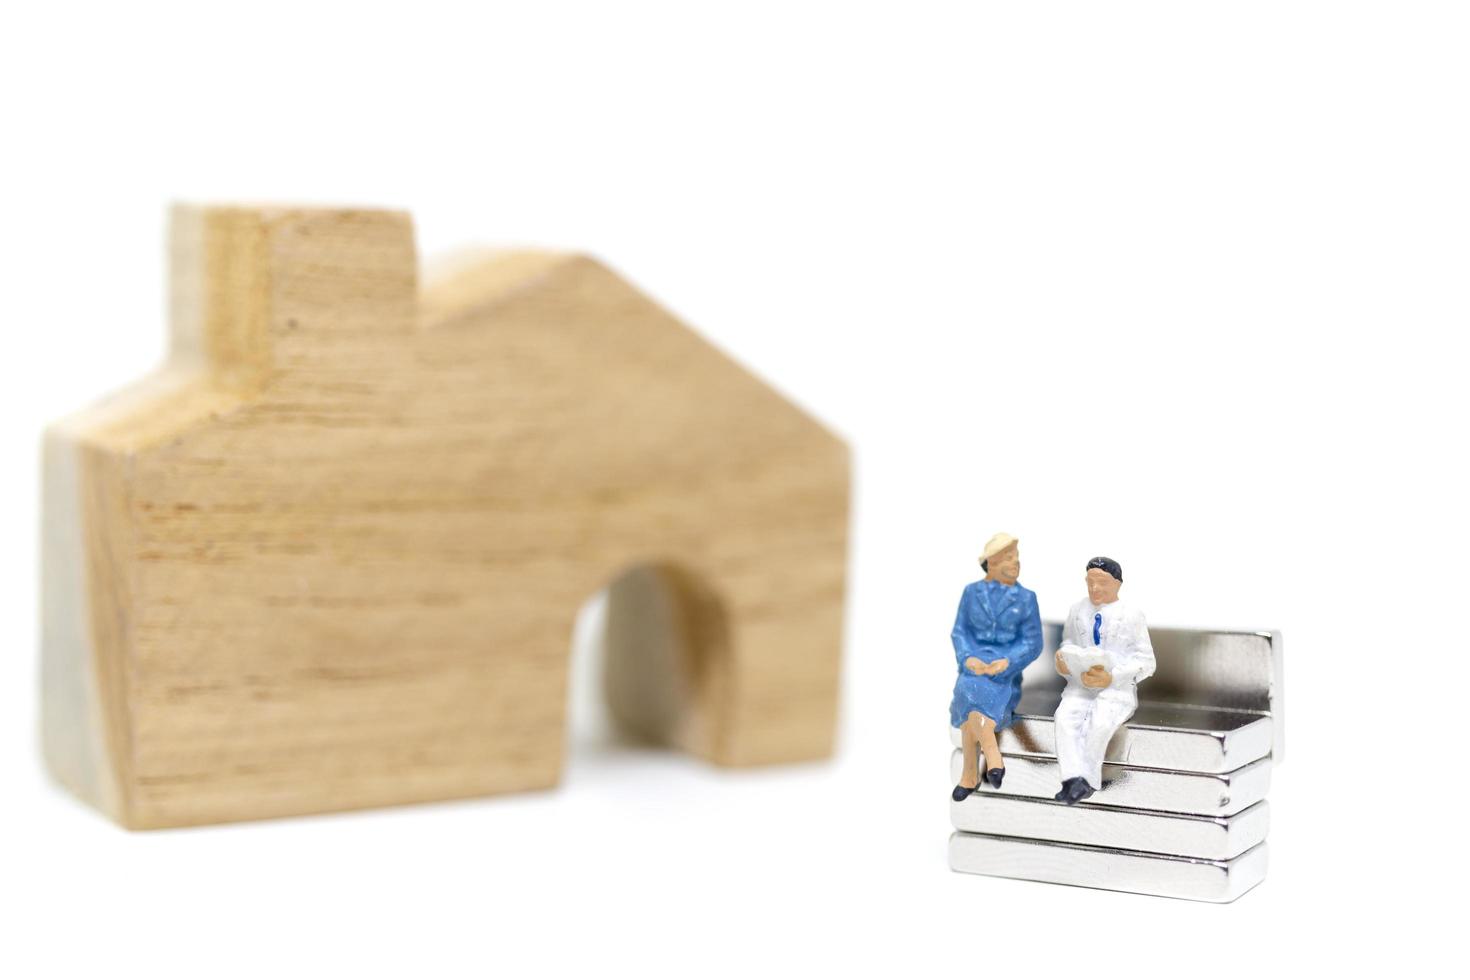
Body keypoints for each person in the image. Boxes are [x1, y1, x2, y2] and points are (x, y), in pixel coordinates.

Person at [1052, 557, 1155, 804]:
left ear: (1118, 584)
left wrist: (1113, 676)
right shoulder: (1077, 610)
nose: (1095, 589)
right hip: (1080, 685)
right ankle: (1070, 779)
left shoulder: (1132, 615)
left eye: (1102, 582)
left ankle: (1087, 781)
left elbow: (1147, 661)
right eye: (1090, 582)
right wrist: (1064, 661)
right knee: (1065, 719)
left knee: (1099, 723)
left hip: (1115, 689)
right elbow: (1068, 642)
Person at [949, 533, 1043, 801]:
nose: (1016, 563)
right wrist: (968, 658)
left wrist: (1007, 662)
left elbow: (1033, 642)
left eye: (1016, 557)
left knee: (970, 714)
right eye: (1008, 557)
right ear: (991, 563)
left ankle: (970, 776)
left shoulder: (1026, 598)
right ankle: (993, 758)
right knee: (969, 687)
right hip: (974, 668)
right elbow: (959, 632)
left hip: (1005, 675)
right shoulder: (971, 592)